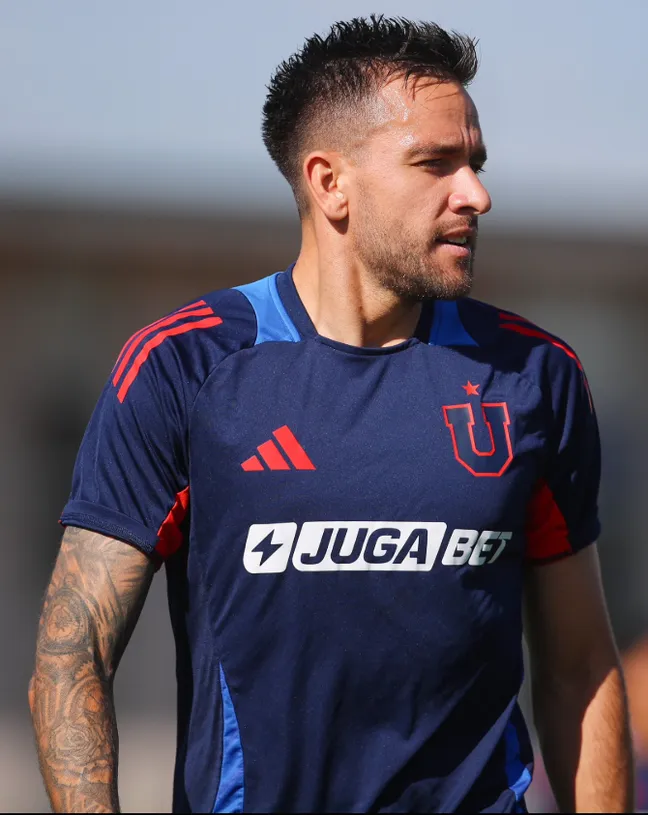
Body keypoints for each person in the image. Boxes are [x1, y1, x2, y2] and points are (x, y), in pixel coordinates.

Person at [29, 16, 633, 813]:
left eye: (476, 163)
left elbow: (581, 665)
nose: (476, 193)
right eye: (436, 164)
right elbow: (72, 654)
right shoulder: (184, 367)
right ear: (329, 182)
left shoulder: (535, 377)